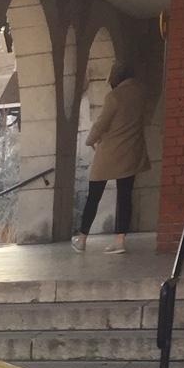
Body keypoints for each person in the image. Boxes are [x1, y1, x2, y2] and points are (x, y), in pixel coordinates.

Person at [73, 63, 150, 255]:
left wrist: (90, 140)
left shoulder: (114, 97)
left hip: (109, 151)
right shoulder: (141, 94)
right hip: (132, 150)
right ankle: (120, 240)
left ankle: (82, 238)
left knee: (94, 195)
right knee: (125, 195)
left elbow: (102, 123)